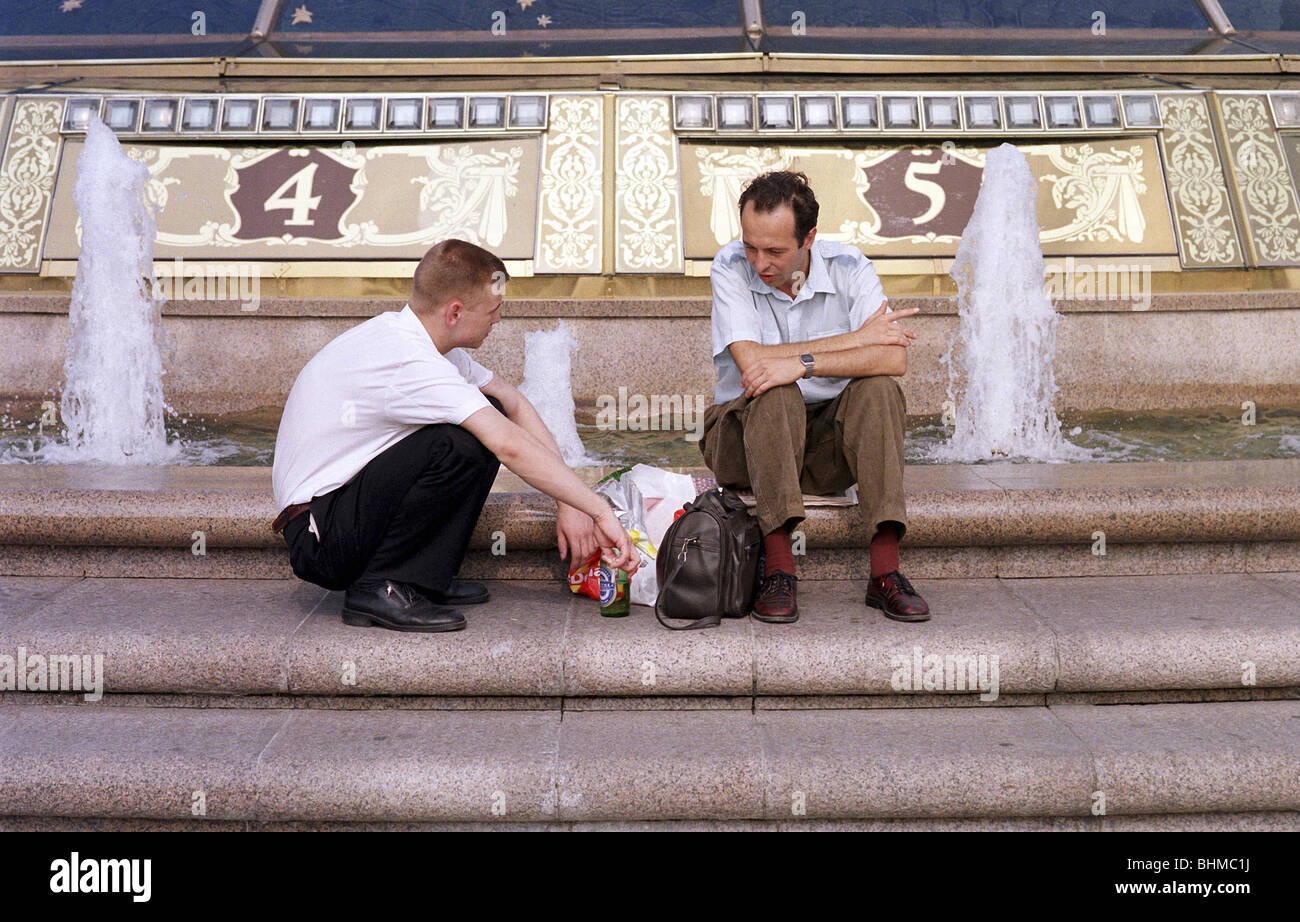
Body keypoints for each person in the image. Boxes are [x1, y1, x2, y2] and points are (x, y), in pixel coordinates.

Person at [271, 238, 638, 633]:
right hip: (320, 539)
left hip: (340, 513)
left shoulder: (426, 345)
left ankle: (420, 579)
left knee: (486, 414)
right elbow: (508, 445)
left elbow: (513, 403)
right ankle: (380, 586)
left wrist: (570, 504)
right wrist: (597, 509)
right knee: (459, 441)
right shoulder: (408, 360)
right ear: (455, 312)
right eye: (493, 310)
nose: (497, 320)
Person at [700, 170, 930, 624]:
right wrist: (855, 339)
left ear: (809, 238)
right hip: (741, 439)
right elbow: (755, 366)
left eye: (775, 251)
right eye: (751, 245)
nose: (759, 262)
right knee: (774, 388)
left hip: (823, 447)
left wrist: (805, 363)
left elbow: (893, 360)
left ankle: (885, 573)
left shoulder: (848, 266)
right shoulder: (729, 266)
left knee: (879, 390)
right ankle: (780, 571)